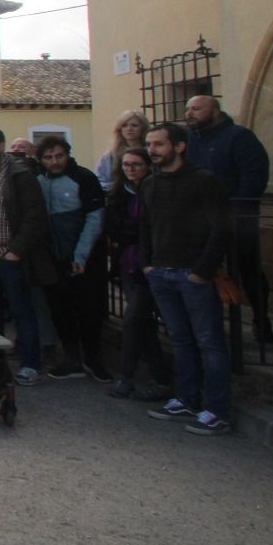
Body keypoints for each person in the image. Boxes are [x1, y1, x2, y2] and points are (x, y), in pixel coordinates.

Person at [141, 121, 232, 435]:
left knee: (209, 342)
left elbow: (220, 229)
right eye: (150, 144)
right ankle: (187, 398)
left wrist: (202, 271)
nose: (152, 150)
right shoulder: (150, 184)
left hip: (192, 273)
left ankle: (218, 410)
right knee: (180, 340)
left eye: (159, 144)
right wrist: (147, 264)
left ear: (179, 146)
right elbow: (145, 227)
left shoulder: (205, 181)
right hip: (161, 272)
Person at [0, 126, 56, 387]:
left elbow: (34, 217)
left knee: (21, 311)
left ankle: (30, 364)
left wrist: (15, 251)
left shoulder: (19, 175)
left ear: (0, 146)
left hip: (9, 257)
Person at [185, 94, 273, 344]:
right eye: (188, 109)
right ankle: (212, 327)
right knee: (205, 270)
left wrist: (234, 212)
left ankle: (261, 319)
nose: (190, 113)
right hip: (200, 221)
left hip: (236, 220)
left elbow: (253, 177)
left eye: (196, 108)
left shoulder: (239, 137)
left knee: (247, 270)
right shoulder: (189, 141)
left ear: (215, 111)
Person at [35, 135, 112, 382]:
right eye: (48, 157)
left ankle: (93, 358)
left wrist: (81, 255)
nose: (54, 161)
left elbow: (94, 219)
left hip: (84, 258)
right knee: (60, 309)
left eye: (59, 156)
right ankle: (71, 359)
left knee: (89, 310)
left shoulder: (84, 178)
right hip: (53, 258)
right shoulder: (37, 181)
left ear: (67, 154)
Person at [103, 147, 173, 401]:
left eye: (136, 164)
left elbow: (155, 228)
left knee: (134, 320)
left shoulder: (156, 191)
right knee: (142, 324)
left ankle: (125, 376)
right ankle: (160, 378)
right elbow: (114, 226)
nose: (131, 169)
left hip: (152, 264)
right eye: (126, 165)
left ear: (148, 166)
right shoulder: (120, 195)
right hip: (129, 264)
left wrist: (133, 235)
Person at [95, 109, 147, 191]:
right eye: (124, 125)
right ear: (119, 129)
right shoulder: (110, 155)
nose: (129, 129)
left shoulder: (151, 152)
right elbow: (100, 180)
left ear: (143, 128)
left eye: (134, 125)